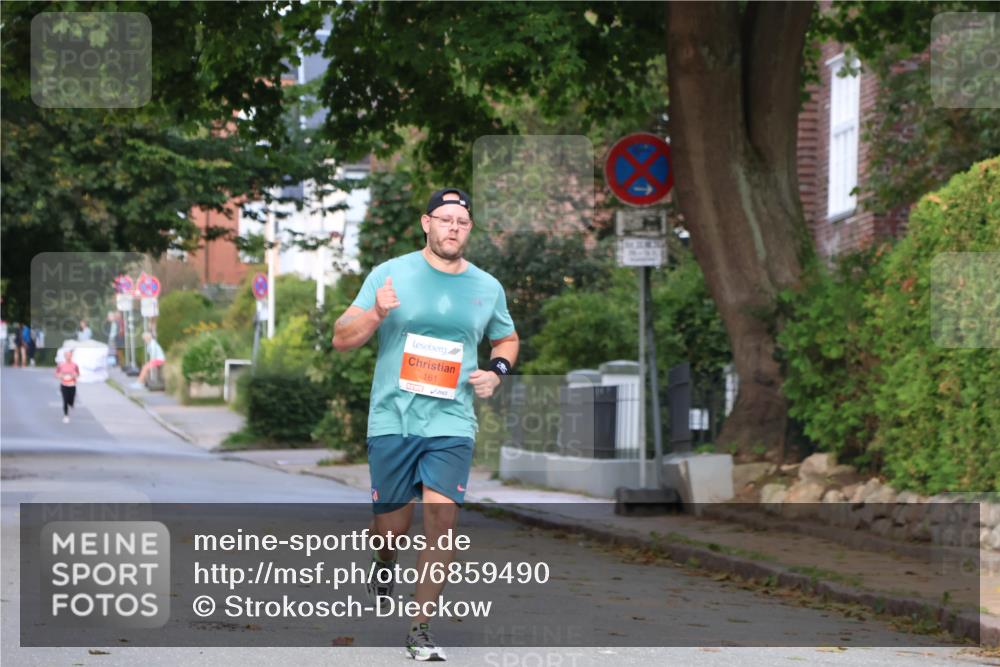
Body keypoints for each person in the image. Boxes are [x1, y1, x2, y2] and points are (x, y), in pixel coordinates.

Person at [333, 188, 519, 662]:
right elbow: (341, 338)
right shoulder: (389, 274)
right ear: (426, 223)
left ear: (469, 229)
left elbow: (507, 338)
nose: (453, 228)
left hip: (452, 420)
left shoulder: (486, 287)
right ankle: (383, 560)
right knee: (391, 529)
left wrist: (496, 372)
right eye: (445, 219)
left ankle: (419, 629)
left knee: (442, 519)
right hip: (392, 418)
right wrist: (377, 312)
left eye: (462, 222)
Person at [55, 349, 80, 423]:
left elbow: (78, 374)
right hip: (64, 384)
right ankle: (66, 415)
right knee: (65, 400)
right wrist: (60, 376)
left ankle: (71, 404)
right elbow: (56, 374)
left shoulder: (75, 365)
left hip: (72, 384)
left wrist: (75, 375)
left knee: (71, 401)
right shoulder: (61, 365)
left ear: (71, 356)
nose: (68, 357)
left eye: (69, 355)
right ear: (65, 356)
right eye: (67, 355)